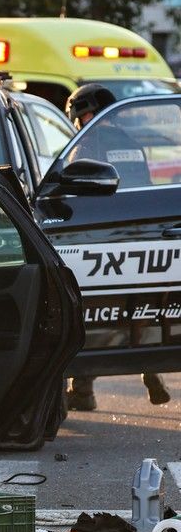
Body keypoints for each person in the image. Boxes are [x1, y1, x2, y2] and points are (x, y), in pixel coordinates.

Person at [63, 84, 169, 410]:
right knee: (138, 307)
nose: (78, 124)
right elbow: (146, 185)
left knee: (85, 310)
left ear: (89, 113)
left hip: (98, 233)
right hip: (136, 230)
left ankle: (82, 390)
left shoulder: (88, 142)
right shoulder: (131, 142)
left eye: (79, 118)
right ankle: (150, 368)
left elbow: (70, 187)